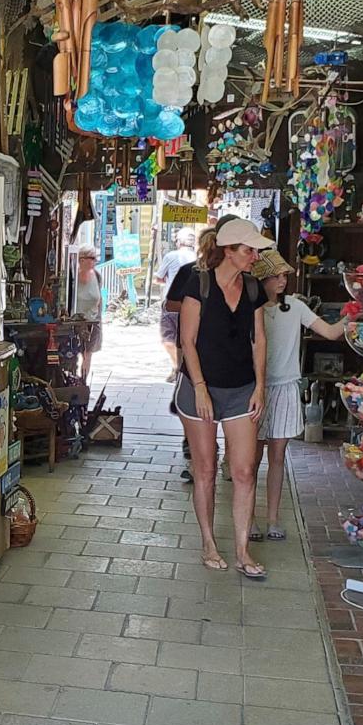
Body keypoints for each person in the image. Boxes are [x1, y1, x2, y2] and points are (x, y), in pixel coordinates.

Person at [171, 217, 273, 580]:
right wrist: (199, 386)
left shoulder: (253, 288)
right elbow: (188, 341)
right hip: (200, 386)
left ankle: (243, 550)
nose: (254, 255)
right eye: (248, 250)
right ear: (228, 251)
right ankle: (209, 543)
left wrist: (260, 386)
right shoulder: (198, 284)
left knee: (245, 471)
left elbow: (259, 339)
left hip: (241, 387)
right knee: (206, 470)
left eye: (256, 250)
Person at [249, 249, 349, 541]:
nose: (282, 281)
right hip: (257, 387)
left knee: (277, 456)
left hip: (286, 386)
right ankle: (250, 518)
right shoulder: (251, 309)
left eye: (284, 276)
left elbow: (330, 333)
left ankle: (272, 519)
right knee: (251, 460)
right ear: (261, 278)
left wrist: (354, 313)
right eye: (276, 276)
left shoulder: (294, 306)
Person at [155, 227, 198, 380]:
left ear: (178, 241)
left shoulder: (171, 256)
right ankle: (184, 368)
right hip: (193, 304)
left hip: (172, 303)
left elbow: (159, 278)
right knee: (188, 339)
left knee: (168, 338)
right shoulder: (197, 257)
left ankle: (177, 367)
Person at [71, 245, 103, 380]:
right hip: (75, 321)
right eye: (91, 258)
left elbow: (99, 298)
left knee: (88, 353)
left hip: (92, 320)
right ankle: (72, 379)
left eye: (95, 259)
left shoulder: (96, 275)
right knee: (73, 353)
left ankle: (83, 382)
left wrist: (99, 319)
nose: (94, 261)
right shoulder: (72, 276)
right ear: (81, 259)